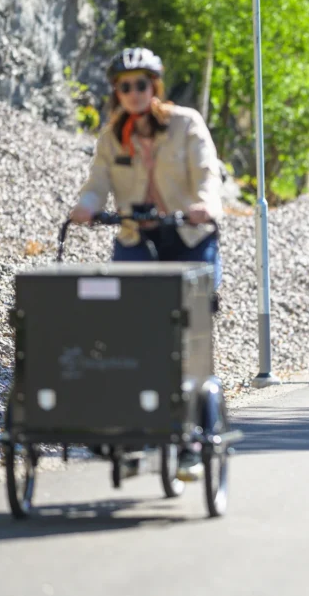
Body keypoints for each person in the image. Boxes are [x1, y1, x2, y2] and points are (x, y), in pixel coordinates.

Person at [68, 46, 223, 479]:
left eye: (141, 84)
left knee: (190, 330)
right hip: (137, 235)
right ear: (116, 92)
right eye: (124, 86)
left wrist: (205, 204)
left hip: (190, 235)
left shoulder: (186, 123)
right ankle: (129, 428)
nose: (133, 92)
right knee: (126, 328)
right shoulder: (112, 135)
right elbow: (97, 183)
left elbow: (208, 172)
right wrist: (84, 207)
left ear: (154, 87)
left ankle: (194, 434)